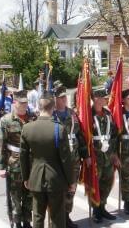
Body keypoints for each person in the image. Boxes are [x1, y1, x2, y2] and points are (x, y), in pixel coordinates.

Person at [20, 91, 74, 228]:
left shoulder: (27, 128)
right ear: (53, 107)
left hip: (35, 177)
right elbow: (66, 159)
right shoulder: (59, 129)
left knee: (37, 215)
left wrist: (26, 177)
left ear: (39, 107)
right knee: (57, 216)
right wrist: (71, 181)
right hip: (55, 179)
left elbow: (23, 157)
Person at [0, 90, 33, 228]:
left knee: (29, 195)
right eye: (21, 103)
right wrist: (1, 166)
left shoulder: (33, 118)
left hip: (31, 163)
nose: (24, 105)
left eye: (25, 103)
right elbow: (0, 144)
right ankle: (17, 222)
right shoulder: (6, 120)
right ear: (14, 103)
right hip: (14, 163)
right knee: (15, 197)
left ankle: (27, 221)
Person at [53, 83, 89, 228]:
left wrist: (85, 155)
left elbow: (80, 135)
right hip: (57, 160)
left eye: (64, 98)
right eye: (61, 98)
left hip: (73, 159)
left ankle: (67, 217)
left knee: (71, 190)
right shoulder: (50, 115)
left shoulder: (72, 114)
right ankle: (58, 220)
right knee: (58, 192)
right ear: (54, 99)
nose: (64, 100)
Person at [91, 88, 120, 223]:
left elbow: (114, 135)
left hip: (108, 155)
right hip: (96, 156)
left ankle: (102, 207)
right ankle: (96, 211)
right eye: (103, 97)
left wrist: (114, 153)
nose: (105, 100)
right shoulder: (88, 115)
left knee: (107, 183)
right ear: (96, 98)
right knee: (95, 184)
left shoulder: (108, 114)